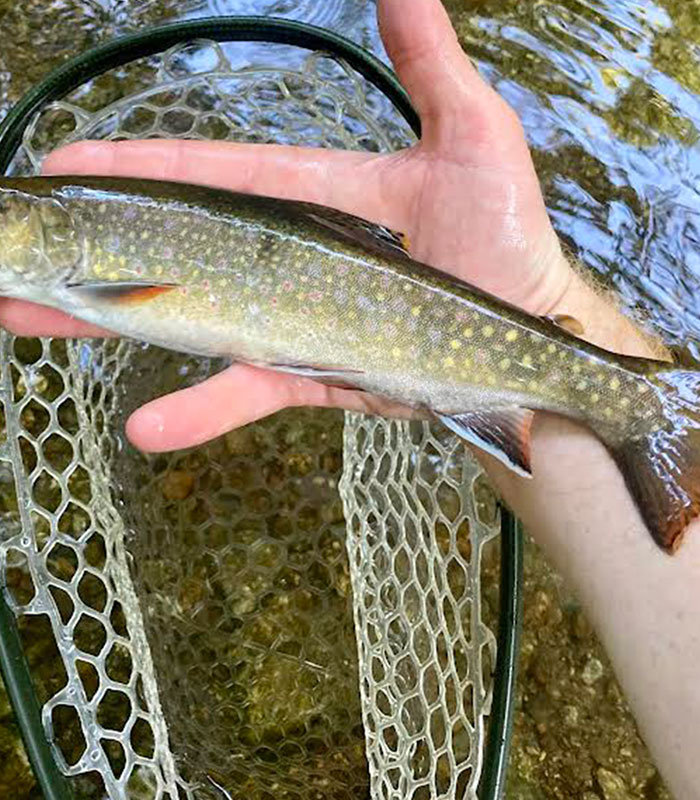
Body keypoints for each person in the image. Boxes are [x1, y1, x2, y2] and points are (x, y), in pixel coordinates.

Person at [1, 0, 697, 796]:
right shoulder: (83, 256)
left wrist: (548, 311)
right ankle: (628, 400)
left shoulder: (94, 261)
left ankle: (635, 403)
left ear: (49, 229)